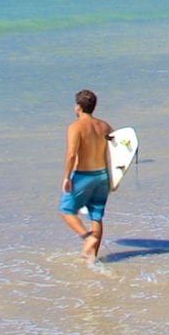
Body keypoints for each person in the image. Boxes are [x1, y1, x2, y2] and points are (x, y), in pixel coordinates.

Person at [56, 89, 116, 263]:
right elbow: (117, 150)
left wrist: (67, 177)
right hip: (102, 176)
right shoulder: (105, 126)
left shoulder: (75, 127)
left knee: (66, 210)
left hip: (83, 176)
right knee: (96, 216)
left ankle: (87, 237)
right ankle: (93, 258)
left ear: (78, 107)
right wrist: (115, 178)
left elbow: (71, 155)